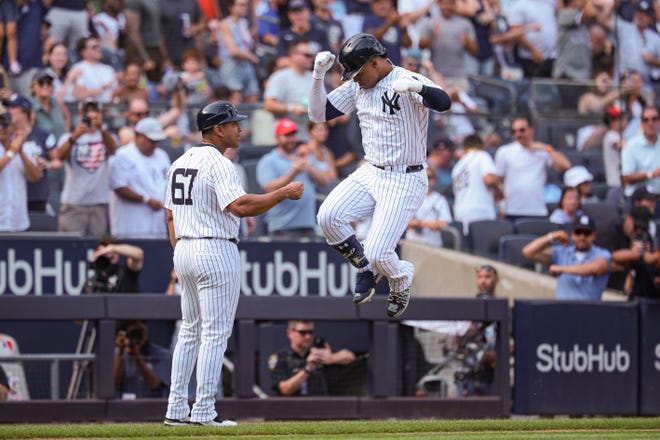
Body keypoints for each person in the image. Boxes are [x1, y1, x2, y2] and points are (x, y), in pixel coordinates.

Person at [163, 101, 304, 427]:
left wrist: (180, 252)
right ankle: (203, 411)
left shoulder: (179, 162)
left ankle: (175, 409)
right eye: (233, 123)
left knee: (189, 331)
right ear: (217, 129)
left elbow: (169, 215)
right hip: (214, 247)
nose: (240, 128)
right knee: (214, 332)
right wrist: (282, 193)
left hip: (184, 247)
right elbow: (239, 206)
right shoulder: (219, 163)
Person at [309, 33, 451, 318]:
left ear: (375, 63)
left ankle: (399, 277)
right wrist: (317, 77)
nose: (354, 79)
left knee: (378, 252)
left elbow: (444, 102)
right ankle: (366, 269)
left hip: (405, 178)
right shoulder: (358, 87)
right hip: (371, 171)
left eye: (358, 72)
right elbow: (317, 115)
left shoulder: (407, 79)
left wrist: (418, 88)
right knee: (328, 217)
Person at [55, 100, 118, 236]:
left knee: (97, 248)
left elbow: (114, 150)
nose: (91, 115)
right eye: (87, 112)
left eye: (94, 111)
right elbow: (59, 157)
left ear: (100, 114)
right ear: (80, 115)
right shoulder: (68, 137)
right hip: (74, 203)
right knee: (70, 246)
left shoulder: (107, 136)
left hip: (99, 203)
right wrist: (74, 137)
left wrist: (102, 128)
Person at [256, 118, 327, 238]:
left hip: (308, 225)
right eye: (287, 135)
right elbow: (269, 188)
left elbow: (325, 180)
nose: (291, 139)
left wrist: (309, 166)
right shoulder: (268, 160)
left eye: (293, 135)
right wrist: (293, 172)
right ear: (277, 138)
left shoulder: (303, 155)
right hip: (282, 227)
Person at [494, 115, 571, 221]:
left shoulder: (542, 151)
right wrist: (501, 205)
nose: (518, 134)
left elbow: (565, 166)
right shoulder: (504, 152)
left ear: (531, 130)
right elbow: (497, 181)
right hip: (512, 210)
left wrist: (546, 148)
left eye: (522, 130)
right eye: (514, 131)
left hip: (537, 210)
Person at [522, 214, 612, 300]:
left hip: (590, 311)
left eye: (587, 233)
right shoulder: (562, 253)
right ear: (572, 234)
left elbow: (595, 268)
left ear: (594, 236)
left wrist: (561, 269)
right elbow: (528, 252)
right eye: (578, 232)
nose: (582, 237)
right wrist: (552, 236)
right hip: (563, 310)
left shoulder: (602, 254)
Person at [110, 117, 171, 239]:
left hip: (157, 224)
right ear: (138, 135)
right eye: (151, 140)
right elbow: (119, 187)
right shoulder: (123, 155)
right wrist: (146, 200)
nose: (154, 144)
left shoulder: (162, 155)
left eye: (156, 140)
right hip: (130, 225)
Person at [268, 320, 356, 396]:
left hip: (320, 407)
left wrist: (331, 358)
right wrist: (308, 368)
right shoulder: (281, 357)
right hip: (292, 410)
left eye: (310, 332)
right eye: (303, 333)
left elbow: (350, 356)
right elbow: (285, 390)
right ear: (290, 333)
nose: (308, 337)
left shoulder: (318, 351)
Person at [453, 264, 498, 397]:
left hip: (493, 371)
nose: (483, 281)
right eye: (480, 277)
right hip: (469, 371)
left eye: (487, 277)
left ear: (496, 279)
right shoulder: (469, 308)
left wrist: (497, 354)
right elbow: (457, 341)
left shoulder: (502, 308)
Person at [451, 133, 501, 235]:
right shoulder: (482, 156)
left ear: (465, 147)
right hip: (480, 212)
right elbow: (489, 179)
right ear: (482, 146)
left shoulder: (457, 167)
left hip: (460, 213)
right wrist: (500, 192)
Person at [0, 108, 41, 232]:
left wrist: (21, 152)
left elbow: (35, 177)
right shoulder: (12, 150)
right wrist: (12, 152)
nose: (1, 127)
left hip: (18, 221)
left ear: (11, 127)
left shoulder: (24, 147)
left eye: (4, 123)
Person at [114, 320, 171, 398]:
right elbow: (113, 385)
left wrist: (137, 356)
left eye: (139, 332)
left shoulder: (163, 355)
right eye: (132, 333)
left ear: (146, 331)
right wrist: (121, 352)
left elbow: (155, 384)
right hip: (123, 406)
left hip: (152, 406)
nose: (136, 336)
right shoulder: (117, 354)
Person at [405, 166, 453, 247]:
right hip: (413, 242)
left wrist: (435, 225)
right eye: (424, 176)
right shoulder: (410, 197)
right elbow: (405, 221)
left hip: (433, 243)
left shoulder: (440, 199)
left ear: (434, 180)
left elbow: (445, 220)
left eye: (429, 177)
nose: (426, 179)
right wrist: (425, 224)